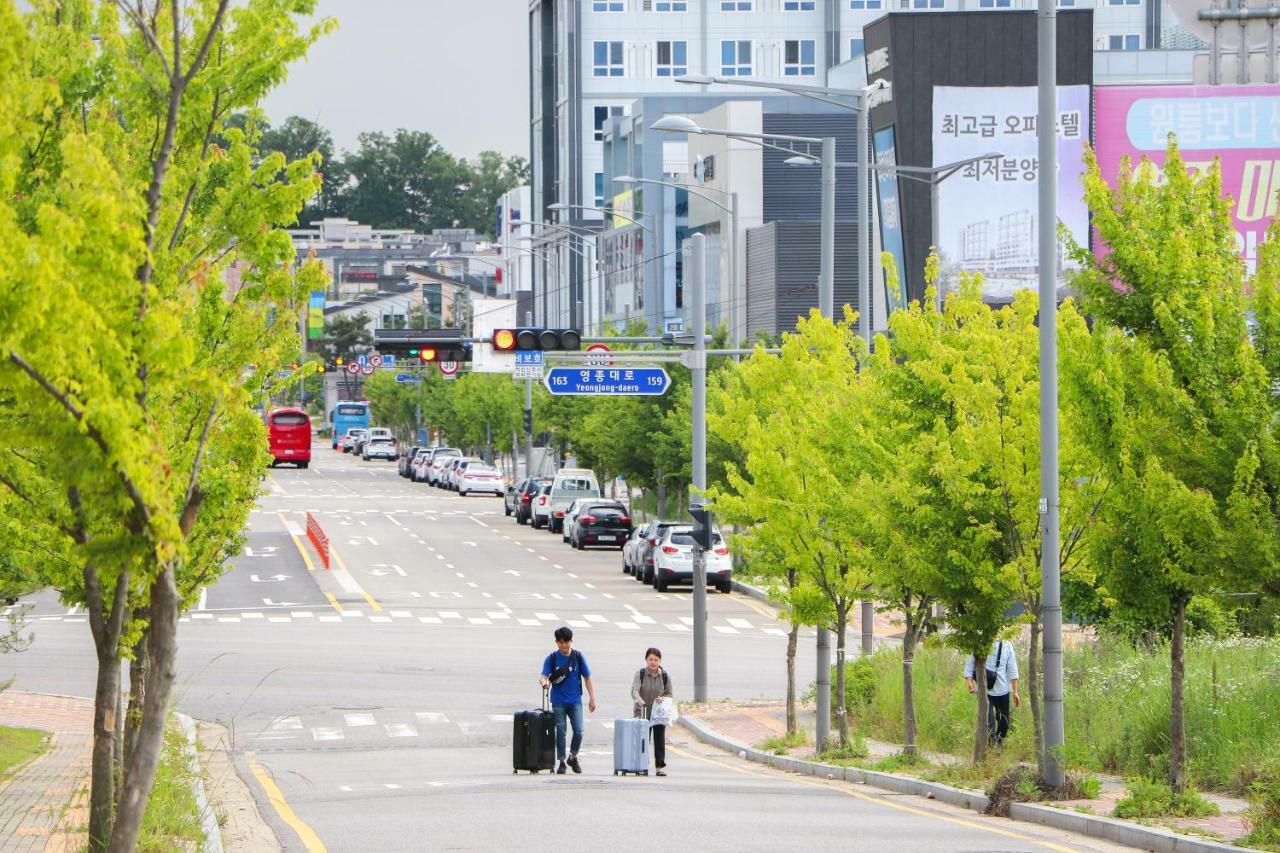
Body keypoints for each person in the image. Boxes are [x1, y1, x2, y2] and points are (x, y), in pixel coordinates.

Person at [538, 626, 597, 774]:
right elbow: (543, 676)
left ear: (571, 641)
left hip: (575, 701)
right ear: (556, 642)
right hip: (558, 702)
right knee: (561, 732)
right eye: (561, 642)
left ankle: (573, 756)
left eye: (567, 642)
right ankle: (562, 762)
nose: (564, 645)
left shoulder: (578, 657)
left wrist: (592, 698)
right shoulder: (551, 658)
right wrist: (544, 683)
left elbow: (587, 678)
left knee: (579, 731)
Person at [964, 638, 1020, 746]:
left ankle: (999, 745)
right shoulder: (979, 643)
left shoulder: (1007, 645)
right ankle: (991, 749)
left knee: (1004, 722)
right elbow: (970, 664)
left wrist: (1015, 692)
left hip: (1003, 690)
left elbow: (1013, 669)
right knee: (989, 723)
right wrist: (970, 682)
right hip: (984, 690)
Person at [630, 647, 674, 776]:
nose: (653, 662)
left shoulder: (664, 676)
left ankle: (659, 767)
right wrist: (639, 700)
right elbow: (634, 691)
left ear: (660, 661)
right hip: (642, 711)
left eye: (656, 659)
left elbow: (670, 694)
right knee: (643, 739)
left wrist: (662, 698)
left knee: (659, 739)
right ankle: (641, 765)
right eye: (650, 659)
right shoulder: (641, 673)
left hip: (658, 712)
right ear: (646, 660)